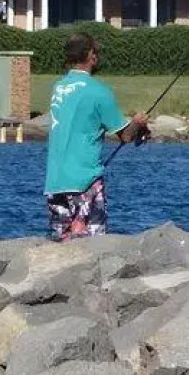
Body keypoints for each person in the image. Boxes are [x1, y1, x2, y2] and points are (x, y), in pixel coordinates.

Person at [44, 32, 147, 241]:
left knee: (62, 245)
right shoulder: (98, 91)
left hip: (55, 183)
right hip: (84, 181)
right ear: (91, 55)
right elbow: (126, 136)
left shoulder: (59, 87)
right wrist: (138, 122)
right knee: (92, 247)